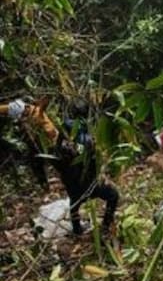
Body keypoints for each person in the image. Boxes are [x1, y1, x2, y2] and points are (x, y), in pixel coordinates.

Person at [2, 97, 119, 237]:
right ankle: (105, 226)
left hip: (69, 177)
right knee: (113, 195)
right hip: (85, 177)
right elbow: (85, 151)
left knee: (75, 203)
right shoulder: (79, 132)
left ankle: (77, 230)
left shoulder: (55, 130)